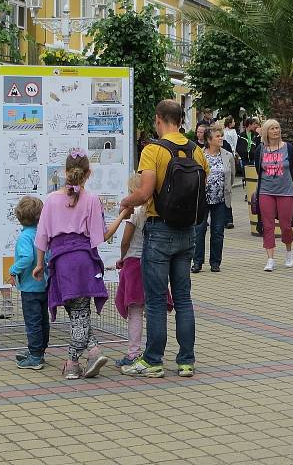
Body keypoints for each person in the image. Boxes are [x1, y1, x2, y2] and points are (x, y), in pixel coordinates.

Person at [119, 99, 209, 379]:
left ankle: (153, 359)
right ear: (181, 119)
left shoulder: (153, 150)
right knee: (183, 298)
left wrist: (125, 201)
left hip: (159, 230)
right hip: (188, 231)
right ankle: (186, 361)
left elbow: (144, 193)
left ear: (159, 119)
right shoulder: (197, 151)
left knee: (156, 300)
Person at [33, 150, 132, 380]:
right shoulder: (92, 200)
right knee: (79, 312)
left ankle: (72, 364)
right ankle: (93, 351)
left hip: (62, 263)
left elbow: (42, 237)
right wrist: (123, 215)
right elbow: (102, 235)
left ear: (65, 172)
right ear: (89, 173)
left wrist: (39, 263)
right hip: (85, 261)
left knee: (76, 313)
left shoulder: (50, 200)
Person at [113, 173, 173, 369]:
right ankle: (154, 352)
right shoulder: (155, 210)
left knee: (136, 312)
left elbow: (125, 241)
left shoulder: (135, 213)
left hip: (134, 263)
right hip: (156, 262)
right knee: (155, 309)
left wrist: (122, 257)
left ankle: (133, 353)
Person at [8, 196, 49, 371]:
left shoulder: (25, 237)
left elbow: (27, 257)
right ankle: (39, 350)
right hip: (44, 285)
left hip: (30, 287)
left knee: (32, 321)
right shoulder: (41, 233)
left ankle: (35, 356)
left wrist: (13, 270)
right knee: (42, 321)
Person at [255, 119, 293, 272]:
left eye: (277, 128)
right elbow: (258, 169)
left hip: (286, 191)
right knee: (268, 226)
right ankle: (270, 259)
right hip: (266, 191)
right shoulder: (261, 149)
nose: (276, 131)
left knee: (286, 225)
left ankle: (289, 252)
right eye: (272, 128)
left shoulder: (288, 148)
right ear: (266, 132)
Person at [192, 127, 236, 273]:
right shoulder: (199, 154)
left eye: (221, 136)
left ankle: (215, 262)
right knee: (199, 231)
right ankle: (197, 262)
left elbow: (232, 176)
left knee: (217, 232)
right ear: (209, 140)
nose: (221, 138)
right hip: (202, 199)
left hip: (221, 200)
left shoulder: (228, 155)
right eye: (217, 136)